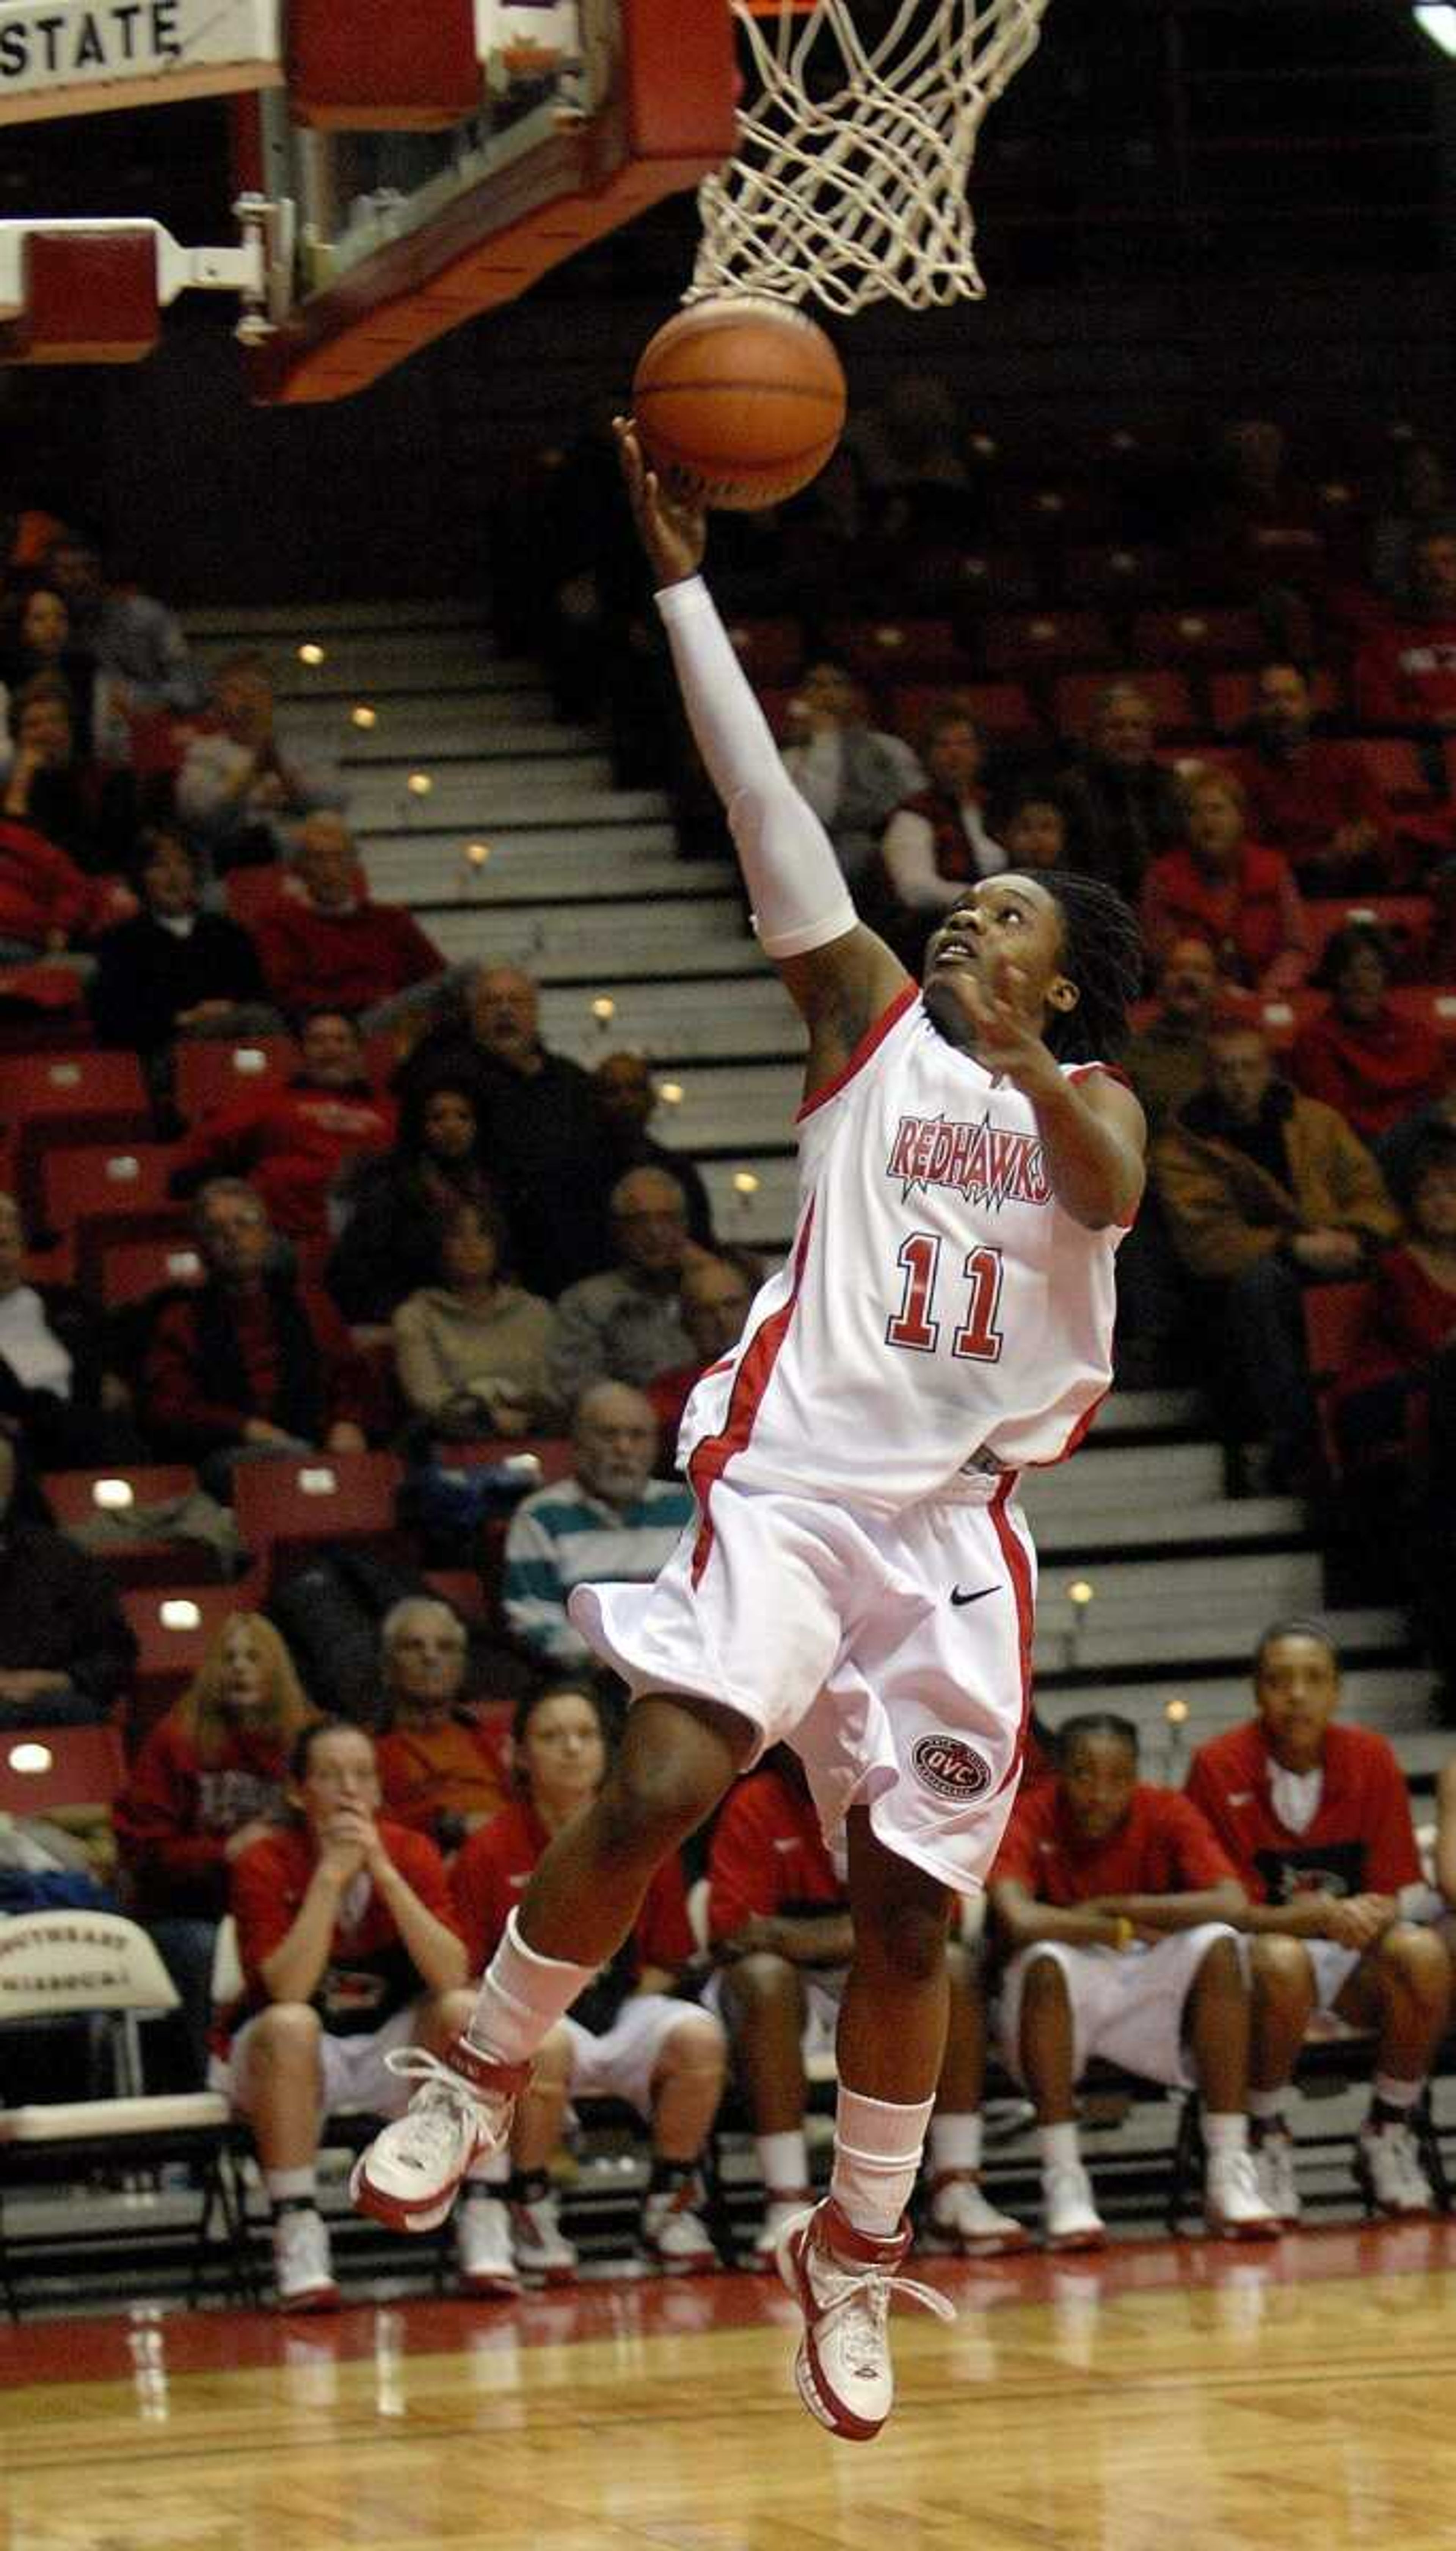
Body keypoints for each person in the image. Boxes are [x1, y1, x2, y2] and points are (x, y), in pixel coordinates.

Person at [350, 425, 1146, 2446]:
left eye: (1013, 914)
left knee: (909, 1914)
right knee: (657, 1778)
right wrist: (684, 585)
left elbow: (1118, 1185)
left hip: (960, 1536)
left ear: (1073, 976)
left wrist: (1044, 1054)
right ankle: (483, 2059)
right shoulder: (866, 1029)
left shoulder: (1096, 1104)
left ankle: (857, 2254)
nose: (970, 919)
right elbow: (765, 807)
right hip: (797, 1493)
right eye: (967, 906)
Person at [451, 1676, 726, 2288]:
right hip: (536, 2023)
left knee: (698, 2036)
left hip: (623, 2005)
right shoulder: (491, 1848)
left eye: (585, 1735)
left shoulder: (640, 1839)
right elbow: (470, 1970)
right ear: (520, 1754)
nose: (572, 1748)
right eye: (552, 1736)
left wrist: (619, 2009)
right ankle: (530, 2203)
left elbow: (669, 1956)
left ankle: (671, 2202)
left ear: (608, 1749)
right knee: (543, 2044)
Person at [707, 1749, 1028, 2265]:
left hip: (884, 1977)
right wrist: (872, 1935)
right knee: (762, 1980)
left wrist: (800, 1934)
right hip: (797, 1991)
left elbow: (939, 1922)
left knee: (957, 1969)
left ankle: (955, 2187)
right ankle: (785, 2201)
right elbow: (737, 1933)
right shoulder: (757, 1800)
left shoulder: (905, 1788)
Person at [1185, 1621, 1451, 2222]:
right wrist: (1317, 1917)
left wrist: (1373, 1909)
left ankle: (1388, 2129)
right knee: (1281, 1956)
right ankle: (1266, 2132)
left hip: (1354, 1958)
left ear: (1336, 1691)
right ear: (1257, 1692)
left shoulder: (1372, 1755)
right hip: (1258, 1966)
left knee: (1425, 1953)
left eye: (1313, 1680)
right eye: (1280, 1681)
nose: (1297, 1695)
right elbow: (1226, 1908)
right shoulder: (1217, 1764)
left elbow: (1394, 1886)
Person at [988, 1713, 1276, 2248]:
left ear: (1136, 1776)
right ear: (1059, 1775)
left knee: (1218, 1942)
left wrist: (1122, 1905)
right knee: (1045, 1958)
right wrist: (1114, 1926)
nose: (1100, 1793)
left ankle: (1229, 2169)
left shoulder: (1165, 1807)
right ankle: (1065, 2180)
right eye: (1083, 1774)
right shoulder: (1028, 1812)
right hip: (1058, 1985)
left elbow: (1231, 1901)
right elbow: (1019, 1920)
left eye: (1116, 1777)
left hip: (1142, 1976)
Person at [223, 1716, 476, 2309]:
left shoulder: (411, 1851)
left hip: (390, 2047)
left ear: (380, 1790)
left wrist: (384, 1874)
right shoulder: (264, 1859)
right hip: (286, 2057)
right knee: (293, 2022)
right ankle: (297, 2227)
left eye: (363, 1774)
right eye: (331, 1775)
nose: (349, 1790)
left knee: (463, 2010)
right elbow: (286, 1987)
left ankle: (486, 2214)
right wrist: (330, 1879)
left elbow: (451, 1973)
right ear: (297, 1792)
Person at [1153, 1023, 1399, 1487]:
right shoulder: (1181, 1148)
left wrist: (1353, 1236)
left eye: (1250, 1067)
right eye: (1227, 1070)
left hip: (1337, 1249)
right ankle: (1296, 1441)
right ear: (1209, 1077)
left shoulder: (1318, 1122)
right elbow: (1208, 1245)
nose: (1239, 1080)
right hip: (1241, 1281)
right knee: (1261, 1286)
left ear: (1270, 1070)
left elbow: (1371, 1197)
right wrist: (1292, 1246)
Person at [115, 1613, 314, 2081]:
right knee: (202, 1949)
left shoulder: (307, 1739)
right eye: (229, 1658)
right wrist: (224, 1852)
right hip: (191, 1911)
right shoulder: (175, 1740)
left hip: (284, 1905)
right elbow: (143, 1853)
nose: (241, 1669)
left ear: (278, 1670)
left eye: (253, 1658)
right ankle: (209, 2079)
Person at [394, 964, 616, 1296]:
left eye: (517, 1001)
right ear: (471, 1013)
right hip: (485, 1258)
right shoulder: (445, 1079)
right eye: (491, 1002)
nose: (505, 1011)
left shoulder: (572, 1081)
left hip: (575, 1251)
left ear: (535, 1012)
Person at [140, 1179, 372, 1481]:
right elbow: (171, 1409)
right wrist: (243, 1427)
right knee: (295, 1459)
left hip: (315, 1443)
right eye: (217, 1230)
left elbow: (350, 1377)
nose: (233, 1236)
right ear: (201, 1247)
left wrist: (347, 1422)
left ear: (266, 1234)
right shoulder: (182, 1319)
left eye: (245, 1223)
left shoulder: (310, 1304)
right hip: (227, 1455)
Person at [501, 1380, 694, 1669]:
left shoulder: (688, 1510)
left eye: (637, 1435)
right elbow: (534, 1621)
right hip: (589, 1680)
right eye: (608, 1435)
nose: (623, 1448)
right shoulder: (541, 1516)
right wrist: (618, 1657)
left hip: (681, 1674)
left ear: (656, 1446)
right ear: (577, 1445)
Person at [170, 1009, 395, 1244]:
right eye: (318, 1041)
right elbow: (205, 1145)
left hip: (373, 1239)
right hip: (282, 1239)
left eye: (341, 1040)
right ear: (302, 1053)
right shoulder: (269, 1100)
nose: (331, 1050)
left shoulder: (389, 1111)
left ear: (359, 1051)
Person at [88, 827, 278, 1078]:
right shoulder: (122, 942)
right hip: (169, 1053)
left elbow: (258, 992)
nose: (174, 876)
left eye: (183, 864)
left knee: (260, 1032)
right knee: (258, 1026)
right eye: (159, 866)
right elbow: (116, 1021)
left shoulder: (228, 933)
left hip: (239, 1044)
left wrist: (227, 1009)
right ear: (141, 879)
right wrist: (184, 1018)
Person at [251, 813, 447, 1028]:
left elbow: (437, 976)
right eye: (319, 860)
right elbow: (289, 994)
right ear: (300, 868)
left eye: (340, 858)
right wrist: (368, 1000)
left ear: (354, 865)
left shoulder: (392, 919)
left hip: (398, 1017)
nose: (331, 870)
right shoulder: (278, 923)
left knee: (468, 980)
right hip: (330, 1025)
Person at [392, 1197, 560, 1442]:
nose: (471, 1245)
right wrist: (486, 1416)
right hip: (452, 1439)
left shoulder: (536, 1311)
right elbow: (427, 1396)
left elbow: (552, 1390)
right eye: (458, 1235)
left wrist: (527, 1416)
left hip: (534, 1431)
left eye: (483, 1234)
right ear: (439, 1246)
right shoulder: (417, 1315)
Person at [0, 1426, 136, 1725]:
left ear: (10, 1484)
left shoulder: (64, 1560)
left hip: (55, 1708)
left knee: (72, 1711)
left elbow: (117, 1656)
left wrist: (57, 1681)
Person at [0, 1189, 142, 1468]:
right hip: (23, 1452)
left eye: (5, 1244)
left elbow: (110, 1351)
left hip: (94, 1432)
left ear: (22, 1248)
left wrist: (112, 1376)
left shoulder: (66, 1304)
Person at [1140, 768, 1309, 1002]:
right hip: (1192, 1000)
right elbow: (1163, 957)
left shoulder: (1275, 870)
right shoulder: (1163, 878)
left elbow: (1295, 947)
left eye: (1216, 810)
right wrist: (1218, 992)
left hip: (1267, 996)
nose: (1206, 822)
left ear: (1241, 817)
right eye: (1194, 813)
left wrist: (1272, 987)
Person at [545, 1165, 700, 1411]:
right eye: (640, 1221)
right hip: (628, 1434)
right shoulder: (586, 1302)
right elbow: (577, 1387)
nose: (655, 1232)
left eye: (667, 1218)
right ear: (618, 1230)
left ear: (684, 1225)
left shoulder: (713, 1292)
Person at [176, 651, 340, 873]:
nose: (248, 696)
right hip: (234, 868)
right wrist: (250, 775)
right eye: (236, 690)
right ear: (219, 702)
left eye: (256, 686)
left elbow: (334, 802)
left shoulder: (301, 750)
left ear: (272, 696)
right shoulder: (204, 753)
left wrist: (284, 775)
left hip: (304, 869)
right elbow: (200, 815)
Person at [1289, 925, 1448, 1152]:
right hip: (1362, 1154)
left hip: (1428, 1150)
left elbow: (1437, 1096)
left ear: (1385, 976)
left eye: (1371, 969)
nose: (1360, 982)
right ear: (1333, 979)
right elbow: (1334, 1122)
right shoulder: (1315, 1040)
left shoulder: (1416, 1033)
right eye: (1347, 971)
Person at [1235, 664, 1393, 890]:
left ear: (1309, 706)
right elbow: (1245, 851)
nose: (1281, 708)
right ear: (1256, 709)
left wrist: (1362, 838)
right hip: (1277, 885)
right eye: (1271, 699)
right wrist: (1316, 859)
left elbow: (1378, 825)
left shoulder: (1346, 761)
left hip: (1349, 878)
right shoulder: (1238, 773)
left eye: (1291, 698)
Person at [374, 1598, 508, 1853]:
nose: (431, 1656)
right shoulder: (366, 1748)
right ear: (387, 1666)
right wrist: (453, 1827)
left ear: (462, 1667)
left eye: (445, 1647)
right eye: (414, 1646)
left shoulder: (492, 1738)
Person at [780, 661, 924, 890]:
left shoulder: (889, 749)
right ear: (803, 697)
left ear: (853, 695)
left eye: (837, 684)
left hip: (893, 849)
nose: (828, 694)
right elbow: (821, 814)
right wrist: (823, 740)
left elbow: (921, 806)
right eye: (817, 686)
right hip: (822, 857)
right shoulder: (790, 761)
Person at [41, 529, 204, 716]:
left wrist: (134, 696)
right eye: (69, 571)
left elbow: (192, 690)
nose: (82, 579)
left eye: (90, 568)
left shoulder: (146, 616)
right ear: (51, 578)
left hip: (149, 727)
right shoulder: (44, 626)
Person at [879, 709, 1005, 938]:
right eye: (943, 745)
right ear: (927, 755)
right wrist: (987, 899)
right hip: (943, 929)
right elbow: (915, 890)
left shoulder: (997, 805)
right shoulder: (913, 815)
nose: (955, 753)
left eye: (964, 743)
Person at [1057, 682, 1186, 905]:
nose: (1129, 736)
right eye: (1116, 727)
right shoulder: (1071, 790)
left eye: (1138, 727)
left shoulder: (1171, 785)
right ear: (1095, 734)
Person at [590, 1050, 715, 1251]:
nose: (626, 1101)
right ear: (595, 1101)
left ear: (651, 1100)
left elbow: (700, 1241)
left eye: (635, 1089)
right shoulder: (575, 1173)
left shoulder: (678, 1170)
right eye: (612, 1091)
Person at [646, 1247, 761, 1454]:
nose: (721, 1320)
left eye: (732, 1305)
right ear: (686, 1322)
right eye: (705, 1311)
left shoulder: (792, 1379)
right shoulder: (665, 1396)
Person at [1353, 529, 1456, 735]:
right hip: (1417, 753)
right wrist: (1430, 720)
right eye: (1425, 563)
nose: (1437, 572)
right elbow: (1373, 707)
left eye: (1448, 561)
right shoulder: (1384, 640)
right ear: (1411, 573)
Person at [1122, 936, 1225, 1138]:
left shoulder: (1238, 1046)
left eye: (1201, 969)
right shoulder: (1131, 1053)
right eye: (1177, 968)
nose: (1188, 977)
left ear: (1218, 984)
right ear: (1160, 984)